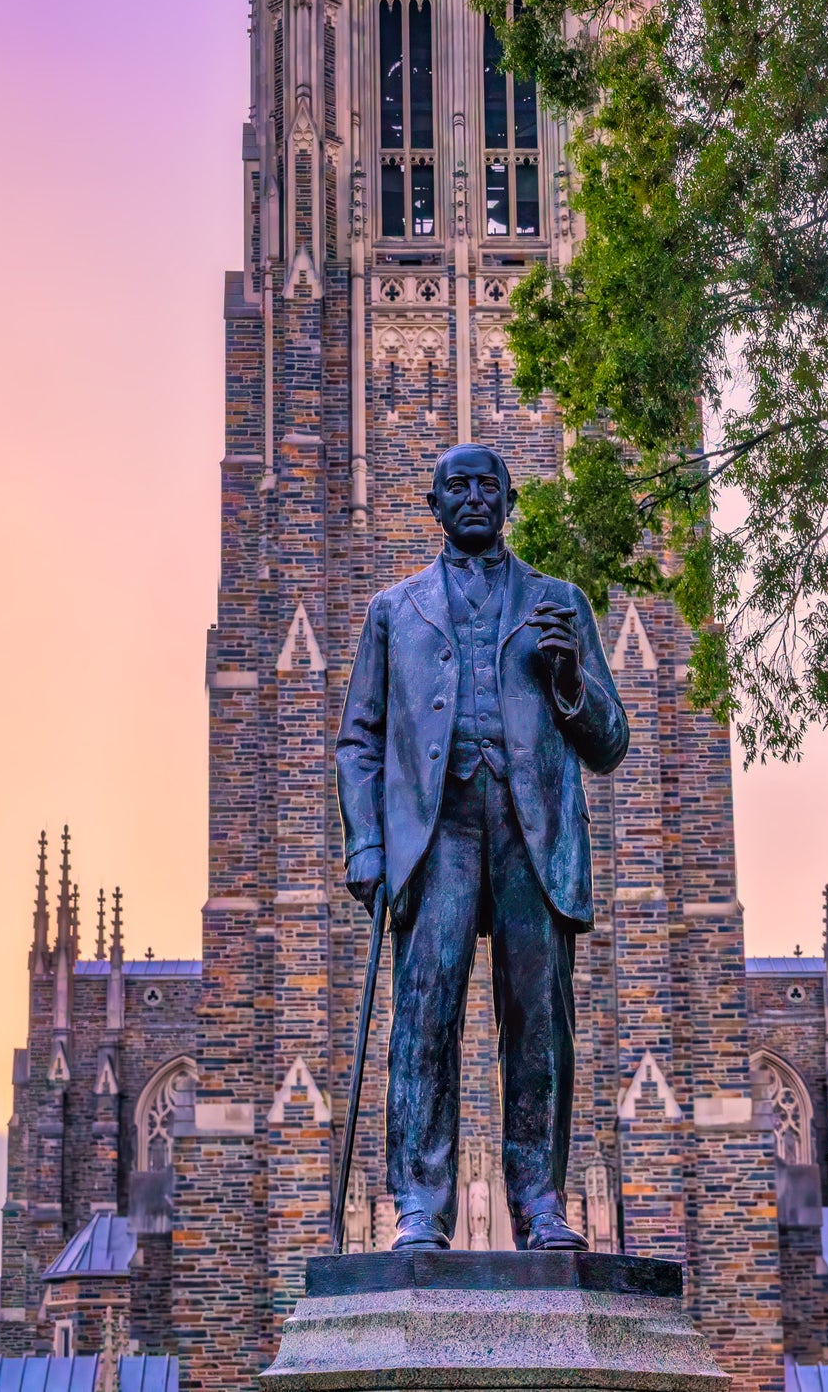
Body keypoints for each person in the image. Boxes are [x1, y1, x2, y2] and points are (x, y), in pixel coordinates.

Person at [336, 443, 630, 1251]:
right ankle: (420, 1207)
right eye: (455, 487)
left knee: (538, 1021)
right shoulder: (394, 611)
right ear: (434, 506)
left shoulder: (558, 601)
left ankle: (539, 1200)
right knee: (423, 1015)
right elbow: (358, 740)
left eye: (486, 486)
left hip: (532, 832)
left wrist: (568, 678)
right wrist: (366, 843)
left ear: (508, 500)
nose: (473, 498)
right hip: (438, 835)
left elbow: (609, 744)